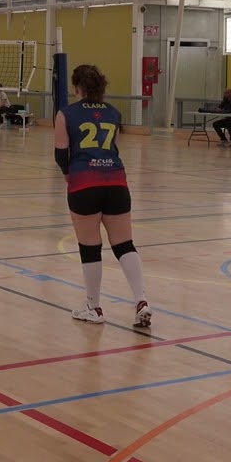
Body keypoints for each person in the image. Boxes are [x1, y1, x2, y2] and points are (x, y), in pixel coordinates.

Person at [55, 64, 150, 328]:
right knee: (124, 244)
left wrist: (67, 173)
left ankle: (94, 307)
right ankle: (141, 300)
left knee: (89, 246)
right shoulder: (114, 113)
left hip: (84, 182)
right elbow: (110, 145)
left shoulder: (66, 113)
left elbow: (61, 153)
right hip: (116, 181)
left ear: (77, 88)